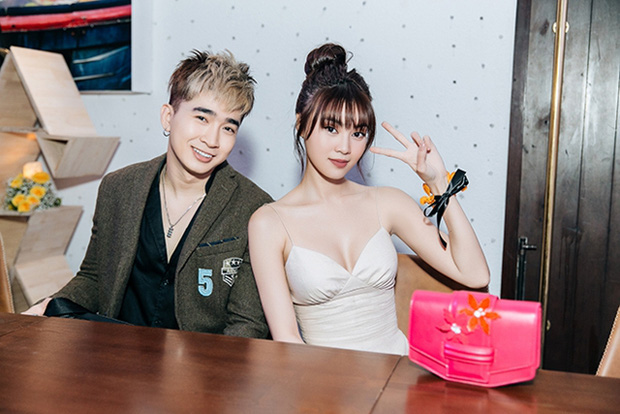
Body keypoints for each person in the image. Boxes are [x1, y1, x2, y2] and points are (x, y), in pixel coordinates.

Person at [248, 43, 490, 355]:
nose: (344, 147)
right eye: (331, 128)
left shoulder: (388, 203)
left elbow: (475, 275)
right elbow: (286, 339)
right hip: (322, 381)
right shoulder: (269, 223)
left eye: (358, 133)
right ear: (301, 124)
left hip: (399, 373)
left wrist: (439, 183)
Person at [24, 50, 272, 338]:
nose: (212, 139)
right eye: (202, 118)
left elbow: (247, 324)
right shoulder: (118, 188)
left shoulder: (254, 208)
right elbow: (94, 278)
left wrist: (208, 366)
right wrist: (50, 305)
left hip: (200, 361)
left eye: (228, 127)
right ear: (168, 117)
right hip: (117, 350)